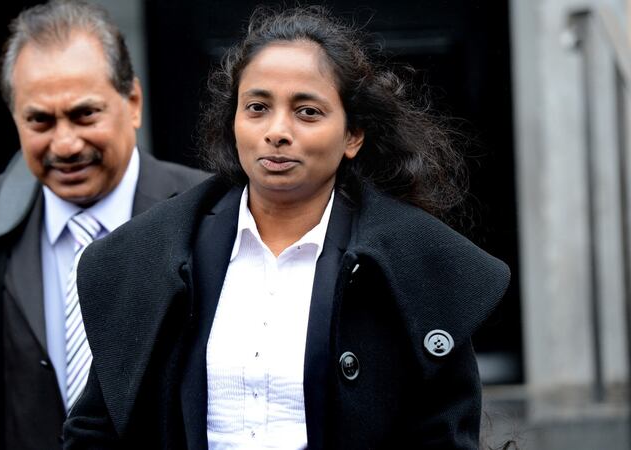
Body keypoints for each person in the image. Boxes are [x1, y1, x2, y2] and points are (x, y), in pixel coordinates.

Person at [64, 5, 509, 450]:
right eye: (257, 107)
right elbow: (96, 431)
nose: (277, 131)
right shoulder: (152, 252)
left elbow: (445, 437)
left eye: (308, 112)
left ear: (353, 135)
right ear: (234, 122)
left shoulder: (415, 267)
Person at [0, 1, 207, 448]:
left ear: (132, 102)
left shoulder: (207, 213)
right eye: (40, 120)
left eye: (84, 114)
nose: (66, 144)